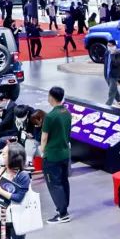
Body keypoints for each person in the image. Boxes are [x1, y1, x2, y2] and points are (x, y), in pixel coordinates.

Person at [41, 86, 73, 224]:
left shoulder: (50, 116)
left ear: (51, 97)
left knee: (54, 184)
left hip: (52, 155)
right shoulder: (67, 113)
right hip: (65, 153)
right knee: (64, 181)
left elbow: (44, 138)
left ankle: (62, 213)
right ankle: (64, 206)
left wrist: (42, 151)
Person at [104, 40, 120, 104]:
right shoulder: (107, 52)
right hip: (107, 75)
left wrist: (112, 55)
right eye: (108, 45)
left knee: (111, 92)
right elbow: (105, 63)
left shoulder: (118, 53)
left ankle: (107, 106)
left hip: (114, 76)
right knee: (114, 90)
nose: (108, 47)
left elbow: (116, 64)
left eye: (110, 45)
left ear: (114, 46)